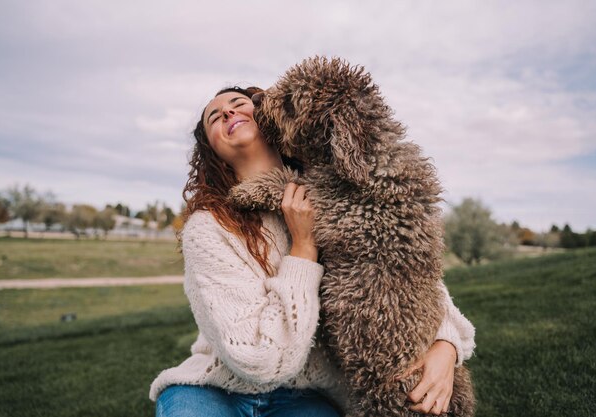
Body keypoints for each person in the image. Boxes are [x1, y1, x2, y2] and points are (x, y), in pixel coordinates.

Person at [149, 86, 476, 417]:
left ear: (267, 117)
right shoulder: (209, 227)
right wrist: (304, 247)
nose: (228, 113)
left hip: (307, 397)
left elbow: (406, 269)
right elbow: (260, 360)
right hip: (217, 389)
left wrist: (446, 344)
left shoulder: (334, 192)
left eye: (237, 105)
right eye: (214, 118)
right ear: (213, 152)